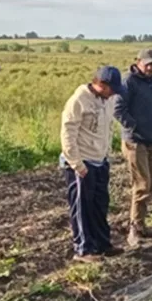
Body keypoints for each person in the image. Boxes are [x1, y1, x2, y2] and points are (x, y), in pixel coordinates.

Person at [60, 66, 127, 263]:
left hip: (100, 160)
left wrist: (106, 155)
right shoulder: (78, 101)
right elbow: (68, 133)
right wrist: (77, 164)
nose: (114, 93)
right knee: (82, 207)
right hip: (82, 163)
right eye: (111, 89)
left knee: (100, 205)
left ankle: (102, 244)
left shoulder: (107, 99)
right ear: (101, 84)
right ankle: (83, 249)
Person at [115, 49, 152, 249]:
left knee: (150, 184)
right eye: (147, 64)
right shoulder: (129, 82)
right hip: (135, 141)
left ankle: (142, 224)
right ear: (138, 62)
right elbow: (118, 109)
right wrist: (134, 126)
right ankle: (134, 228)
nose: (151, 67)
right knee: (142, 184)